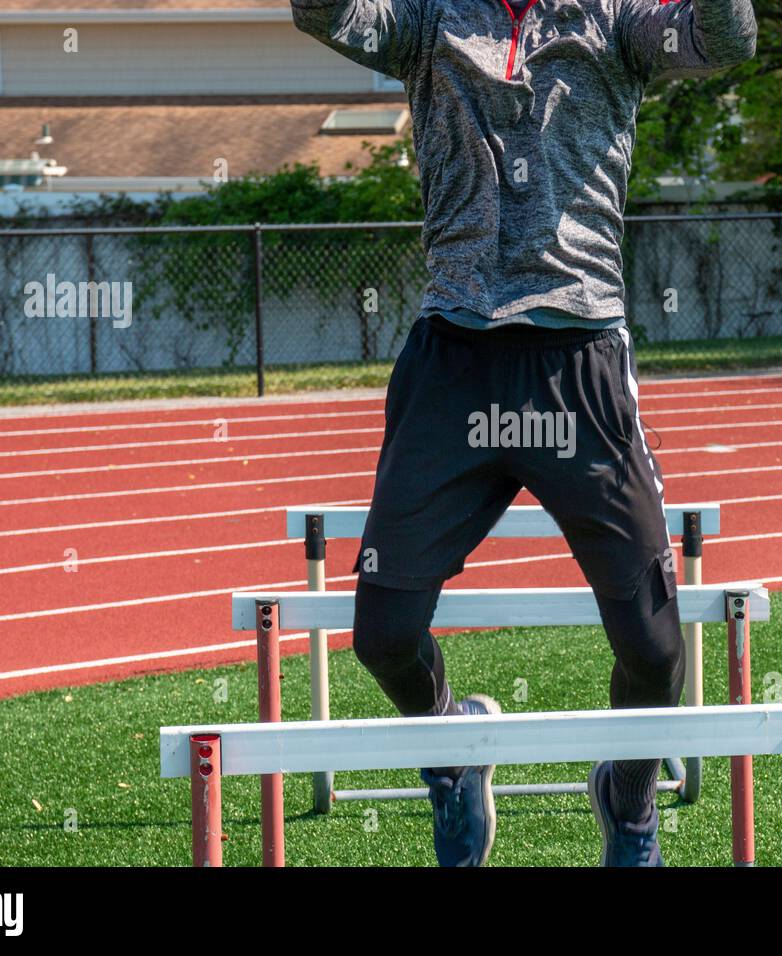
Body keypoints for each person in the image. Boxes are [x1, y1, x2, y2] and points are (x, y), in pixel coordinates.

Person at [289, 0, 757, 866]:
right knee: (381, 637)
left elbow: (727, 38)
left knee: (654, 650)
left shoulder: (618, 21)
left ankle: (627, 796)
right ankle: (450, 757)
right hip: (454, 357)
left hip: (577, 357)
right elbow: (327, 13)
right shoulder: (428, 17)